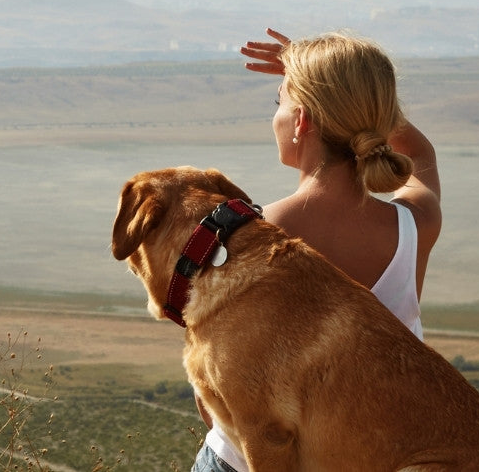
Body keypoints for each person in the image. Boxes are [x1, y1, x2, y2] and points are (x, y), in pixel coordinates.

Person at [189, 29, 443, 472]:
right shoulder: (415, 225)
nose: (276, 117)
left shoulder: (243, 236)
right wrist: (355, 93)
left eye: (279, 103)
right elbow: (420, 152)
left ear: (302, 120)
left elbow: (210, 390)